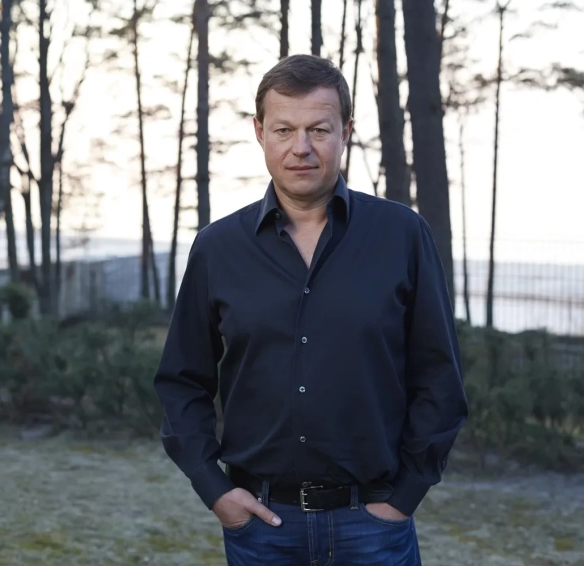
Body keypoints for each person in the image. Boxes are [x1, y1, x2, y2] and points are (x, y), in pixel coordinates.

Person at [153, 54, 468, 566]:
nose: (301, 147)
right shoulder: (217, 248)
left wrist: (404, 495)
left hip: (374, 525)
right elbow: (181, 381)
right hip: (262, 527)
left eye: (319, 129)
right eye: (284, 130)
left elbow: (439, 377)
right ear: (260, 133)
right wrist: (214, 489)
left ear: (346, 132)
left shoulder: (402, 235)